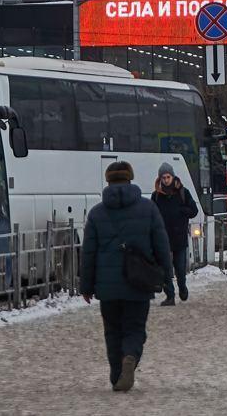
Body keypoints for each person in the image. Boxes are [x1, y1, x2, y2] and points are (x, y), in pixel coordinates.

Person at [80, 160, 171, 393]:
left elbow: (88, 253)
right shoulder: (148, 209)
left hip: (107, 287)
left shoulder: (97, 213)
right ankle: (130, 357)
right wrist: (167, 276)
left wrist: (86, 286)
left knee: (112, 331)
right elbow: (161, 245)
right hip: (139, 282)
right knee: (134, 328)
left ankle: (116, 376)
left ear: (108, 181)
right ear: (130, 179)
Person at [150, 162, 198, 306]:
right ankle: (170, 296)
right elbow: (151, 214)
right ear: (160, 179)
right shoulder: (156, 196)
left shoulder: (183, 193)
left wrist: (182, 211)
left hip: (179, 237)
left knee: (180, 268)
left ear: (173, 176)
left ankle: (182, 288)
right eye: (163, 177)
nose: (166, 180)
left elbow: (194, 210)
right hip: (163, 238)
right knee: (165, 269)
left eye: (168, 177)